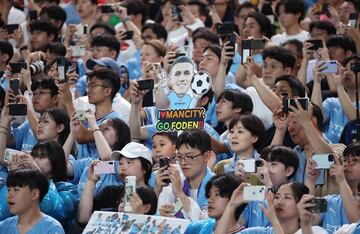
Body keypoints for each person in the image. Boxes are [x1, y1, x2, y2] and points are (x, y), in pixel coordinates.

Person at [215, 181, 328, 234]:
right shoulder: (259, 232)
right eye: (277, 197)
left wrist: (274, 221)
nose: (280, 201)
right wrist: (231, 205)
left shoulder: (315, 231)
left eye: (287, 198)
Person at [158, 129, 214, 220]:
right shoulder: (173, 186)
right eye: (179, 157)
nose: (183, 162)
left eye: (189, 157)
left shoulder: (218, 188)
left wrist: (180, 194)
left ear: (207, 156)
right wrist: (164, 217)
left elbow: (210, 225)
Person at [0, 169, 65, 234]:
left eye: (16, 190)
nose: (9, 195)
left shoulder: (53, 229)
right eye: (8, 190)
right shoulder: (3, 227)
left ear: (35, 194)